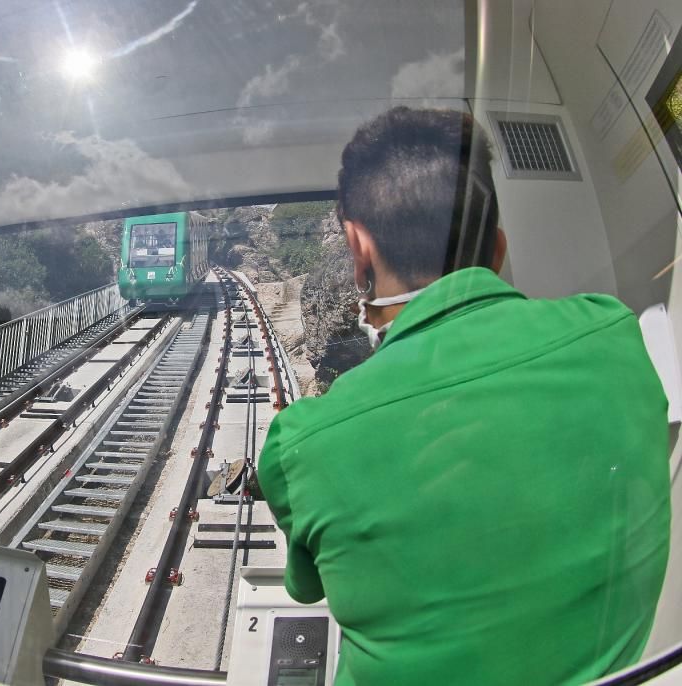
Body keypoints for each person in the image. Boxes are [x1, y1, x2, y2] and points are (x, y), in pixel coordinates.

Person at [257, 106, 671, 686]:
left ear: (357, 248)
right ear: (497, 246)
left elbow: (307, 586)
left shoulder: (303, 442)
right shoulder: (616, 334)